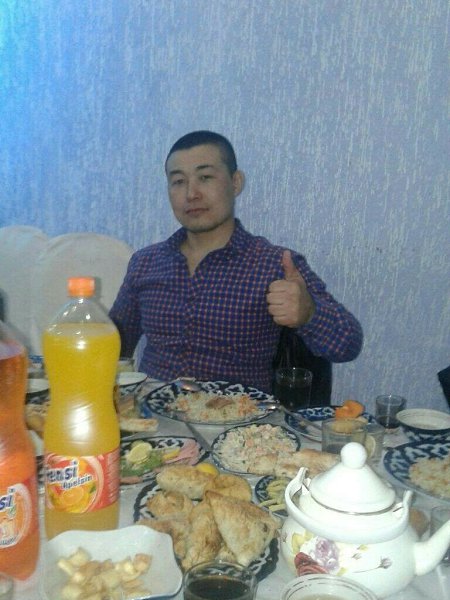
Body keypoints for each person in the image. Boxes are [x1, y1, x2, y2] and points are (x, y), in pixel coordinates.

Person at [109, 130, 363, 394]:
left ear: (235, 182)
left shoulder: (274, 264)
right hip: (153, 413)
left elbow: (349, 344)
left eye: (205, 177)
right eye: (178, 181)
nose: (191, 193)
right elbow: (112, 345)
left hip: (238, 416)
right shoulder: (145, 262)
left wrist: (309, 314)